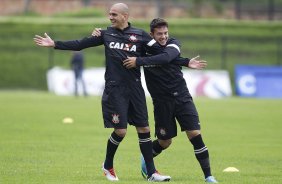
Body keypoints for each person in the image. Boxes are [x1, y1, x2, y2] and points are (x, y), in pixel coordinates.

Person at [33, 3, 171, 182]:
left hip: (135, 88)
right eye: (110, 14)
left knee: (144, 129)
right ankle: (108, 165)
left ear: (125, 16)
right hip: (115, 90)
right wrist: (55, 44)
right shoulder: (105, 34)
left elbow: (162, 52)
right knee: (120, 132)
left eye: (114, 14)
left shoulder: (140, 35)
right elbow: (80, 44)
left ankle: (152, 173)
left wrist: (139, 61)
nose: (110, 17)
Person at [122, 18, 218, 183]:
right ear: (152, 34)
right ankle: (147, 158)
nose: (164, 36)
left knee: (194, 134)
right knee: (165, 142)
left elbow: (167, 57)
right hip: (161, 102)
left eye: (165, 33)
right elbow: (119, 42)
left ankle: (209, 176)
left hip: (182, 97)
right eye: (159, 34)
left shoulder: (174, 44)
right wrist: (100, 33)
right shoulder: (144, 49)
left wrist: (139, 61)